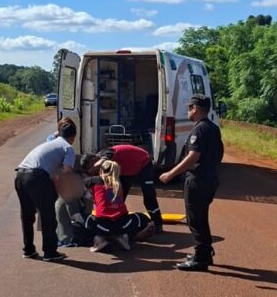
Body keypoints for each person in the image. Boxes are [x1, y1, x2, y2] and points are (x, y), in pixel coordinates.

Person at [159, 95, 224, 272]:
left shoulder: (200, 129)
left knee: (195, 220)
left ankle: (201, 259)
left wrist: (171, 174)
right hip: (210, 178)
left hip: (198, 180)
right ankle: (204, 252)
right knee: (200, 217)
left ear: (195, 108)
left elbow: (193, 157)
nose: (188, 111)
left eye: (189, 108)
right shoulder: (212, 128)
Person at [15, 123, 78, 261]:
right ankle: (50, 252)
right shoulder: (68, 147)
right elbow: (67, 171)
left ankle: (29, 250)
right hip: (37, 177)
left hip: (20, 175)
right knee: (48, 215)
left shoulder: (50, 143)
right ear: (73, 137)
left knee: (27, 215)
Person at [83, 160, 155, 252]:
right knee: (142, 217)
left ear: (101, 171)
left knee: (80, 218)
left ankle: (99, 239)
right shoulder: (120, 184)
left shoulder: (94, 180)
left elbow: (80, 187)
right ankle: (123, 236)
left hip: (102, 225)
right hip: (124, 223)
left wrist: (91, 197)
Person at [89, 145, 164, 233]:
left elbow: (107, 155)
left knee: (149, 195)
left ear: (94, 160)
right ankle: (118, 222)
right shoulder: (104, 166)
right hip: (126, 170)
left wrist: (96, 165)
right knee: (118, 196)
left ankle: (157, 223)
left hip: (144, 162)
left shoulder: (104, 154)